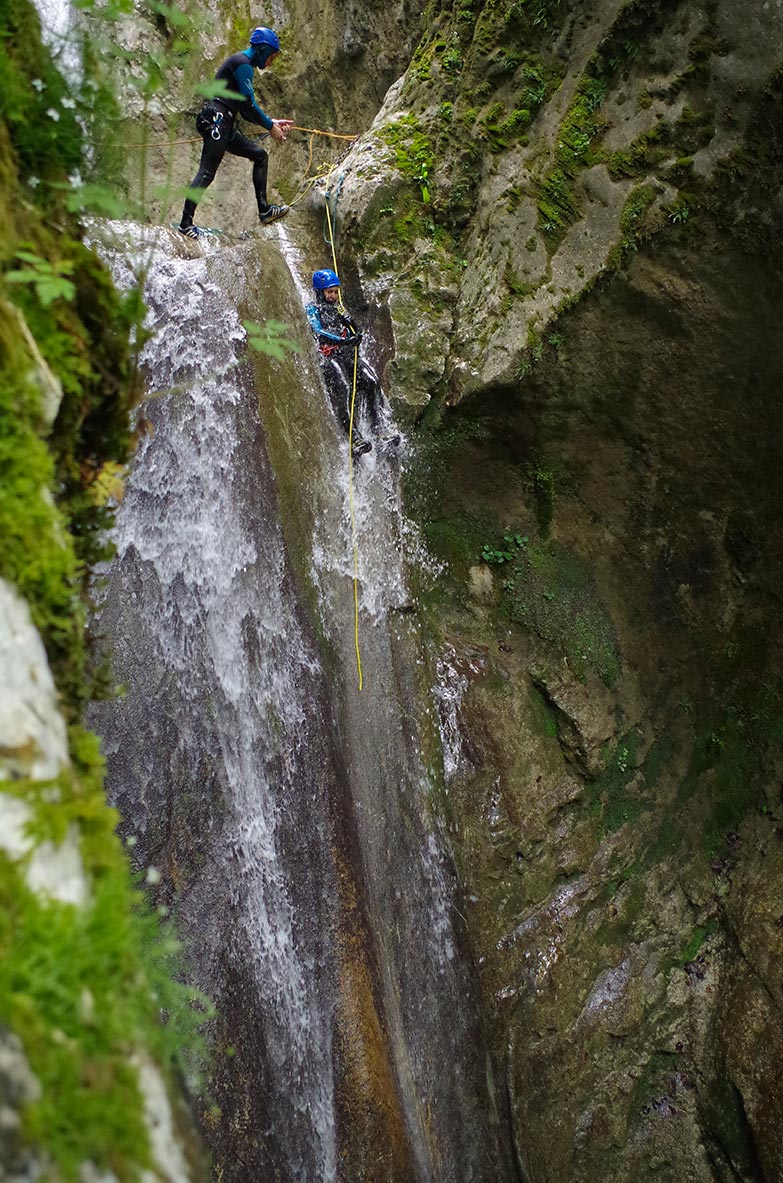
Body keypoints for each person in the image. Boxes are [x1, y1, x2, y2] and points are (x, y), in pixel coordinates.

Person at [177, 27, 293, 239]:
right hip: (216, 121)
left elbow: (245, 110)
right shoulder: (243, 64)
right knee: (206, 172)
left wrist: (272, 122)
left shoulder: (244, 65)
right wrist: (270, 126)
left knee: (260, 155)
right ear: (263, 50)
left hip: (224, 123)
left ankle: (265, 210)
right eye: (271, 57)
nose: (270, 62)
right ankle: (185, 224)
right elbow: (249, 103)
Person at [306, 269, 397, 460]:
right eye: (329, 292)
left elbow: (355, 331)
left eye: (335, 291)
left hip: (346, 356)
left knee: (371, 382)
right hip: (328, 358)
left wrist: (351, 324)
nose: (332, 295)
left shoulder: (339, 308)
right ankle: (354, 438)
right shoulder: (312, 309)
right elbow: (319, 333)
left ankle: (380, 429)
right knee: (343, 387)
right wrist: (343, 341)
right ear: (320, 292)